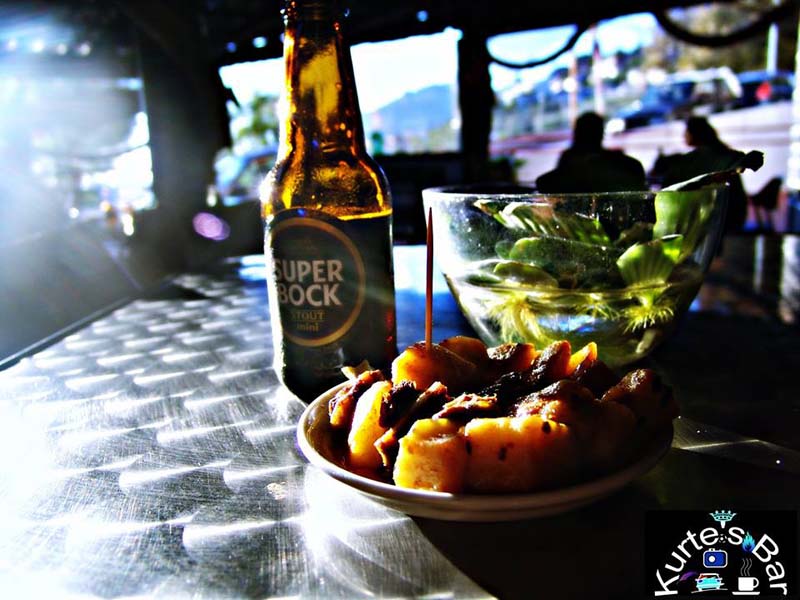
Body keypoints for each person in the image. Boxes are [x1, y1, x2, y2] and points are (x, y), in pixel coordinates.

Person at [661, 116, 748, 232]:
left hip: (708, 222)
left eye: (686, 131)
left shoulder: (692, 160)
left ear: (694, 133)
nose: (683, 135)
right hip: (732, 218)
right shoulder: (724, 153)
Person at [536, 112, 647, 193]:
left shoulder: (569, 161)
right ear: (600, 134)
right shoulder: (625, 164)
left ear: (577, 133)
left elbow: (544, 183)